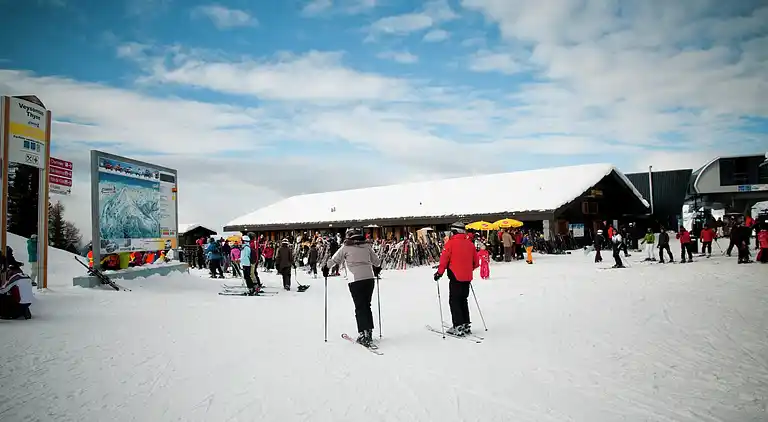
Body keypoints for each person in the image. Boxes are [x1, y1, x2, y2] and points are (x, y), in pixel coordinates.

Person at [322, 228, 382, 347]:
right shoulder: (367, 247)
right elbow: (377, 262)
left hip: (355, 280)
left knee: (359, 307)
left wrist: (325, 268)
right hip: (369, 280)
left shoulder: (345, 247)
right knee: (366, 305)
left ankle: (363, 333)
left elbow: (334, 259)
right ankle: (368, 331)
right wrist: (376, 268)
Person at [434, 222, 480, 336]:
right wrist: (467, 269)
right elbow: (476, 263)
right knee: (463, 300)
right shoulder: (470, 244)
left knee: (454, 301)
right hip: (467, 277)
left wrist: (439, 273)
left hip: (455, 276)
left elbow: (444, 260)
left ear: (454, 232)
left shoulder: (450, 244)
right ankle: (465, 324)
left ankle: (458, 325)